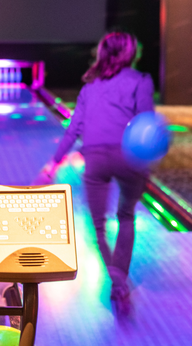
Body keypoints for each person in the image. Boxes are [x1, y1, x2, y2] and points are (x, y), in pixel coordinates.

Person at [43, 31, 153, 312]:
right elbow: (145, 125)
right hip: (128, 156)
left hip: (95, 159)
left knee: (99, 227)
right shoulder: (141, 81)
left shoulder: (89, 88)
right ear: (132, 54)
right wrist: (148, 164)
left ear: (101, 53)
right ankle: (120, 276)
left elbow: (73, 129)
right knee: (126, 216)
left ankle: (115, 280)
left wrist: (54, 162)